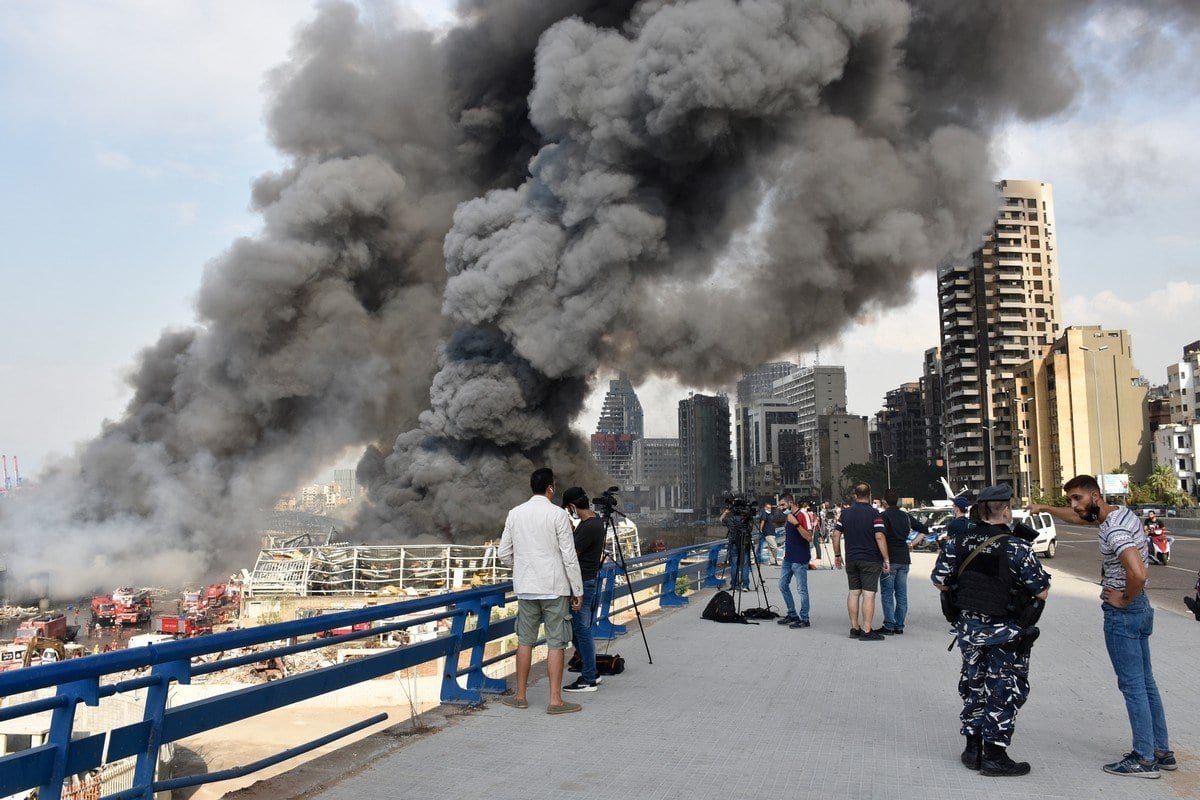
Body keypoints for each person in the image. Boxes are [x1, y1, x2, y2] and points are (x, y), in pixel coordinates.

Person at [1030, 476, 1174, 777]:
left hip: (1124, 613)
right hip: (1141, 609)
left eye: (1078, 498)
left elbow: (1139, 572)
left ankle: (1144, 759)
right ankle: (1161, 750)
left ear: (1095, 496)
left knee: (1132, 686)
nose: (1074, 505)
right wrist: (1044, 506)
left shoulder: (1114, 528)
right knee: (1146, 683)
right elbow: (1076, 517)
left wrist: (1123, 599)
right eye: (1070, 499)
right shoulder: (1119, 512)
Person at [933, 483, 1050, 777]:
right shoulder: (1017, 547)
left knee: (974, 685)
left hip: (969, 631)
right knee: (1002, 689)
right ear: (1006, 511)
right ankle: (995, 756)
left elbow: (940, 581)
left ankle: (973, 750)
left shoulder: (958, 542)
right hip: (1005, 633)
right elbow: (1042, 591)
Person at [498, 467, 584, 714]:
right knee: (556, 643)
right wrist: (577, 589)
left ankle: (520, 696)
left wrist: (524, 566)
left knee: (525, 641)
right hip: (554, 588)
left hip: (526, 589)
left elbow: (504, 553)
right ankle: (555, 701)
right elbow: (569, 556)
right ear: (550, 488)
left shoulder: (515, 514)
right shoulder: (558, 515)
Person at [561, 487, 606, 694]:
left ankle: (589, 677)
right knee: (579, 630)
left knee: (581, 630)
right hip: (587, 581)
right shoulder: (594, 521)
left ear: (572, 506)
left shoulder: (588, 527)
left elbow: (571, 555)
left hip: (583, 583)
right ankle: (591, 672)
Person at [831, 483, 890, 641]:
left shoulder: (845, 513)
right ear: (869, 495)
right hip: (870, 560)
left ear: (855, 495)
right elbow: (879, 536)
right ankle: (867, 630)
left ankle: (854, 628)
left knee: (853, 593)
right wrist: (886, 558)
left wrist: (837, 555)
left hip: (851, 559)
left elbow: (835, 535)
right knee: (869, 595)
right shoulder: (874, 513)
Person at [878, 489, 927, 635]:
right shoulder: (906, 516)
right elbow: (924, 529)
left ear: (884, 502)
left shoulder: (883, 516)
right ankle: (899, 624)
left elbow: (879, 536)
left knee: (887, 593)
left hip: (889, 557)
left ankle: (889, 624)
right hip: (904, 557)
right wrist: (912, 544)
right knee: (901, 593)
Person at [775, 494, 813, 628]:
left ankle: (805, 618)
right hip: (788, 558)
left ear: (791, 503)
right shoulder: (788, 516)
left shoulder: (803, 515)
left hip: (800, 558)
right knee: (782, 585)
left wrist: (795, 523)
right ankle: (792, 613)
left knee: (802, 589)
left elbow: (809, 537)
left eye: (783, 505)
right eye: (780, 505)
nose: (781, 508)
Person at [756, 501, 781, 566]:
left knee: (771, 548)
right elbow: (763, 521)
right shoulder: (764, 513)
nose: (769, 509)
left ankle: (772, 561)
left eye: (770, 508)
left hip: (772, 532)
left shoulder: (770, 514)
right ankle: (776, 559)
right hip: (768, 532)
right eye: (768, 508)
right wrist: (761, 530)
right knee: (775, 547)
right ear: (765, 508)